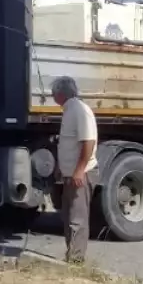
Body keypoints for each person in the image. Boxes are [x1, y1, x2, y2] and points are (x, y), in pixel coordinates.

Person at [52, 75, 98, 264]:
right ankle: (72, 255)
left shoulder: (79, 110)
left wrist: (79, 170)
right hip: (70, 174)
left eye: (53, 93)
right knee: (69, 216)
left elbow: (88, 141)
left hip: (81, 174)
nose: (52, 96)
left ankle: (76, 261)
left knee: (77, 219)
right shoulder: (69, 110)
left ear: (60, 94)